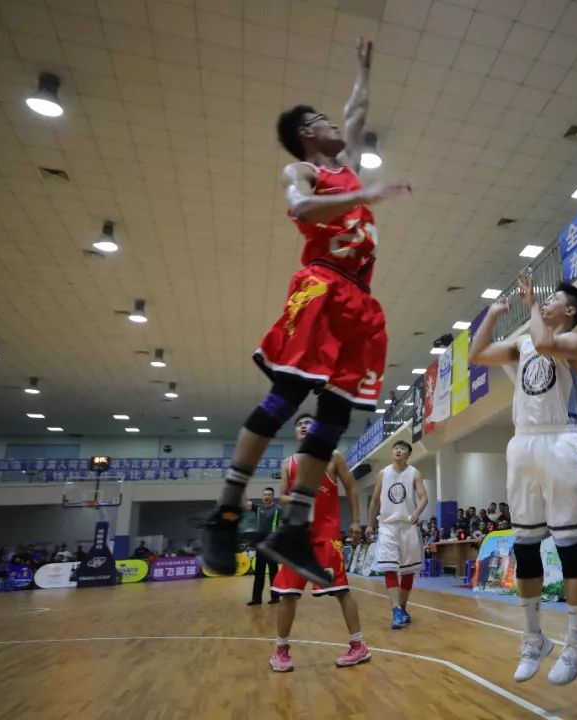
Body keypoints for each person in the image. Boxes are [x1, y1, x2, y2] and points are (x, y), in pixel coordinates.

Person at [199, 37, 411, 586]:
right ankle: (226, 511)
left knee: (336, 417)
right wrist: (366, 197)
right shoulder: (302, 173)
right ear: (306, 134)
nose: (336, 125)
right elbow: (303, 209)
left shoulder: (348, 166)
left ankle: (294, 527)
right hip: (322, 286)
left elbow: (356, 112)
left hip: (361, 301)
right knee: (286, 397)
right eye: (322, 121)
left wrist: (364, 70)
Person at [469, 271, 577, 685]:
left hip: (561, 441)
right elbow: (477, 354)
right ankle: (533, 638)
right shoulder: (522, 345)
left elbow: (544, 343)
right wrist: (491, 315)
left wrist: (529, 305)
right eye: (544, 299)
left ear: (569, 311)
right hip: (523, 444)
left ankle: (576, 640)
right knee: (524, 548)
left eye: (553, 299)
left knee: (569, 549)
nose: (545, 302)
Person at [269, 415, 369, 672]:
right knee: (287, 595)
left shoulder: (334, 457)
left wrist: (356, 521)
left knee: (341, 590)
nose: (304, 426)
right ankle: (281, 651)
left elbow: (351, 488)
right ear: (295, 432)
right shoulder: (288, 463)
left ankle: (359, 646)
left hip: (327, 535)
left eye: (309, 423)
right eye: (299, 424)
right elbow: (282, 498)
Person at [367, 440, 427, 629]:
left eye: (403, 449)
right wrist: (369, 524)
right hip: (387, 526)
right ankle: (396, 610)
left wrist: (416, 512)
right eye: (396, 448)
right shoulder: (383, 473)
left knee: (408, 571)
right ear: (392, 452)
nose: (399, 451)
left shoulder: (414, 473)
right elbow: (374, 500)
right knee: (390, 568)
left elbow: (423, 497)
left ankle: (402, 607)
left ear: (408, 454)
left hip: (408, 526)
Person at [246, 486, 282, 606]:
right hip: (260, 546)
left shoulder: (278, 509)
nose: (267, 497)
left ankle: (275, 598)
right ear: (263, 497)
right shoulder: (258, 508)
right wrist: (242, 487)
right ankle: (256, 599)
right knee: (259, 574)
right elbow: (245, 503)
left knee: (274, 573)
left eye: (269, 495)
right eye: (265, 494)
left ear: (273, 497)